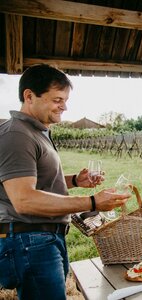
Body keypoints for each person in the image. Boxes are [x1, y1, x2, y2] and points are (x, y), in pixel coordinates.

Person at [0, 64, 131, 300]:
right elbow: (24, 200)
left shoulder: (36, 132)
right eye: (57, 99)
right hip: (30, 241)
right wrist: (92, 202)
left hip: (42, 239)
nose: (65, 106)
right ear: (29, 96)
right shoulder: (17, 135)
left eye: (65, 99)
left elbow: (37, 181)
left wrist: (73, 180)